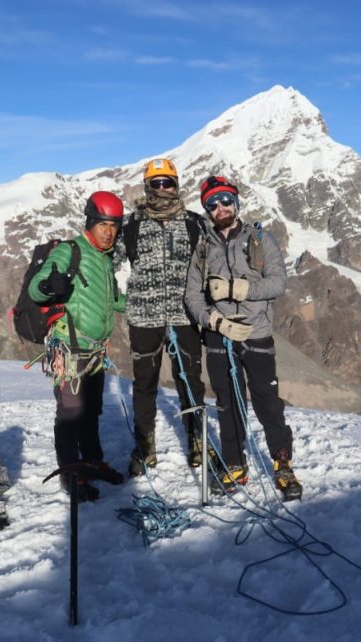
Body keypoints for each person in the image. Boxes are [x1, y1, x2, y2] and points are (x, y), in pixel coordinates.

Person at [183, 175, 302, 501]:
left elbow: (278, 282)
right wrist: (213, 320)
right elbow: (192, 296)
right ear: (207, 210)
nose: (220, 207)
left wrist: (240, 289)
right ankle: (235, 463)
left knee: (267, 401)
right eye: (212, 204)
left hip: (256, 334)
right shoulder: (203, 248)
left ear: (235, 203)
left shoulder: (261, 239)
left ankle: (282, 462)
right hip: (219, 338)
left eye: (225, 200)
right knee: (227, 404)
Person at [118, 158, 214, 477]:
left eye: (167, 183)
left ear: (176, 185)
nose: (161, 189)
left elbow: (211, 268)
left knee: (190, 382)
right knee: (144, 384)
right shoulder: (129, 225)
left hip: (185, 316)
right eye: (156, 183)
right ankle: (145, 446)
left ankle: (197, 439)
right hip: (144, 319)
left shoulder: (195, 223)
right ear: (147, 185)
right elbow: (109, 264)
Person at [29, 190, 127, 502]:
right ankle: (72, 474)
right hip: (69, 348)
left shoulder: (103, 257)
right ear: (90, 222)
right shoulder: (69, 252)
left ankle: (92, 461)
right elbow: (36, 289)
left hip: (95, 351)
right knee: (71, 412)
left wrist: (142, 305)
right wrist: (48, 286)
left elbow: (112, 301)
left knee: (90, 411)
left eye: (114, 226)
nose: (109, 232)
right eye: (103, 225)